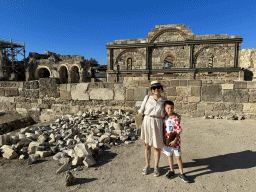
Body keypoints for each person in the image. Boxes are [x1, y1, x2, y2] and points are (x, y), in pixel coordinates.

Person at [139, 80, 167, 177]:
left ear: (161, 88)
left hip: (158, 123)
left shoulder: (164, 100)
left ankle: (156, 166)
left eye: (158, 87)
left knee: (157, 146)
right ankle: (147, 165)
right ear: (151, 90)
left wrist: (176, 116)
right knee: (147, 145)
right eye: (154, 88)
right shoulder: (147, 98)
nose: (156, 89)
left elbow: (168, 112)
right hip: (147, 121)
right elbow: (140, 111)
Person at [163, 100, 189, 183]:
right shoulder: (164, 118)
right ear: (165, 109)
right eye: (168, 108)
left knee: (178, 157)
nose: (170, 110)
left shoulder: (176, 118)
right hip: (167, 141)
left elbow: (178, 131)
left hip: (175, 141)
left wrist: (175, 140)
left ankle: (181, 173)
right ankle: (172, 170)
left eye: (172, 108)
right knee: (169, 156)